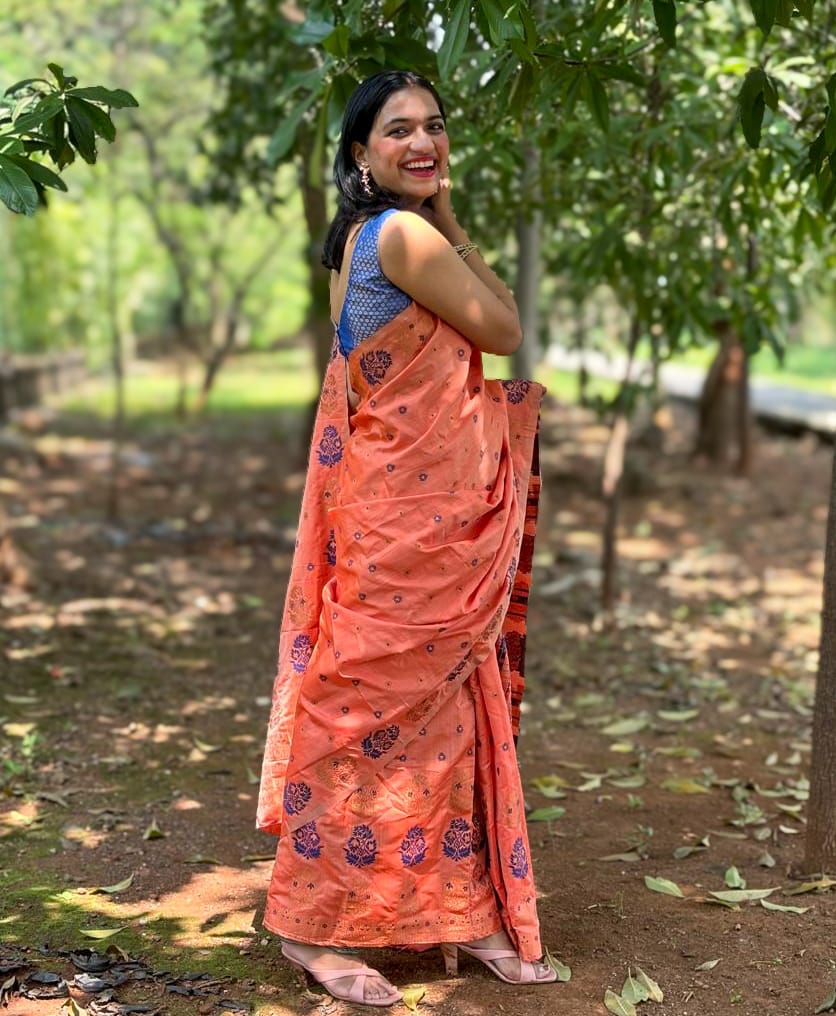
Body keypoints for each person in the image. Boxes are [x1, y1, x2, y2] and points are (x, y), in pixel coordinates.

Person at [257, 69, 555, 1007]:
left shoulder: (361, 235)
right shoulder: (406, 232)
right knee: (366, 717)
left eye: (434, 128)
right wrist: (455, 221)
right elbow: (505, 327)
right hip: (411, 530)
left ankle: (461, 914)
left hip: (405, 518)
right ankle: (308, 929)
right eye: (398, 132)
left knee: (435, 719)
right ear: (360, 153)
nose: (422, 144)